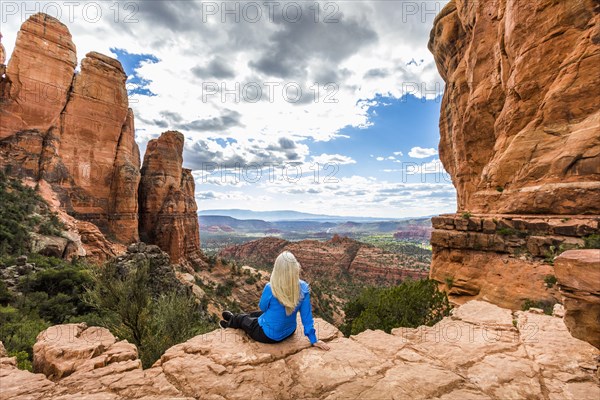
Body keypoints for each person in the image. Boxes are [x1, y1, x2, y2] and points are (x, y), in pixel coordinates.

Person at [220, 251, 330, 350]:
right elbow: (306, 317)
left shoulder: (271, 287)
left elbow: (263, 307)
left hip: (267, 335)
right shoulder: (303, 287)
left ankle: (230, 324)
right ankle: (233, 318)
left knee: (242, 318)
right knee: (253, 314)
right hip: (290, 331)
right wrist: (313, 339)